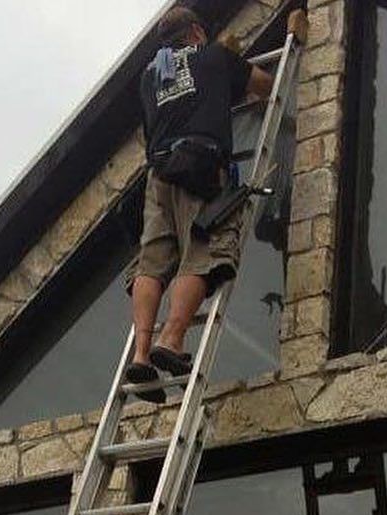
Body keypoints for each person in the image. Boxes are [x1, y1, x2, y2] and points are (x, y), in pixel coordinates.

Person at [125, 5, 305, 401]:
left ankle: (141, 353)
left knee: (152, 263)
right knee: (202, 253)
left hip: (159, 174)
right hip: (201, 167)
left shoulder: (150, 76)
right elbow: (263, 86)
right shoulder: (213, 57)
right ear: (194, 32)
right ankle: (171, 340)